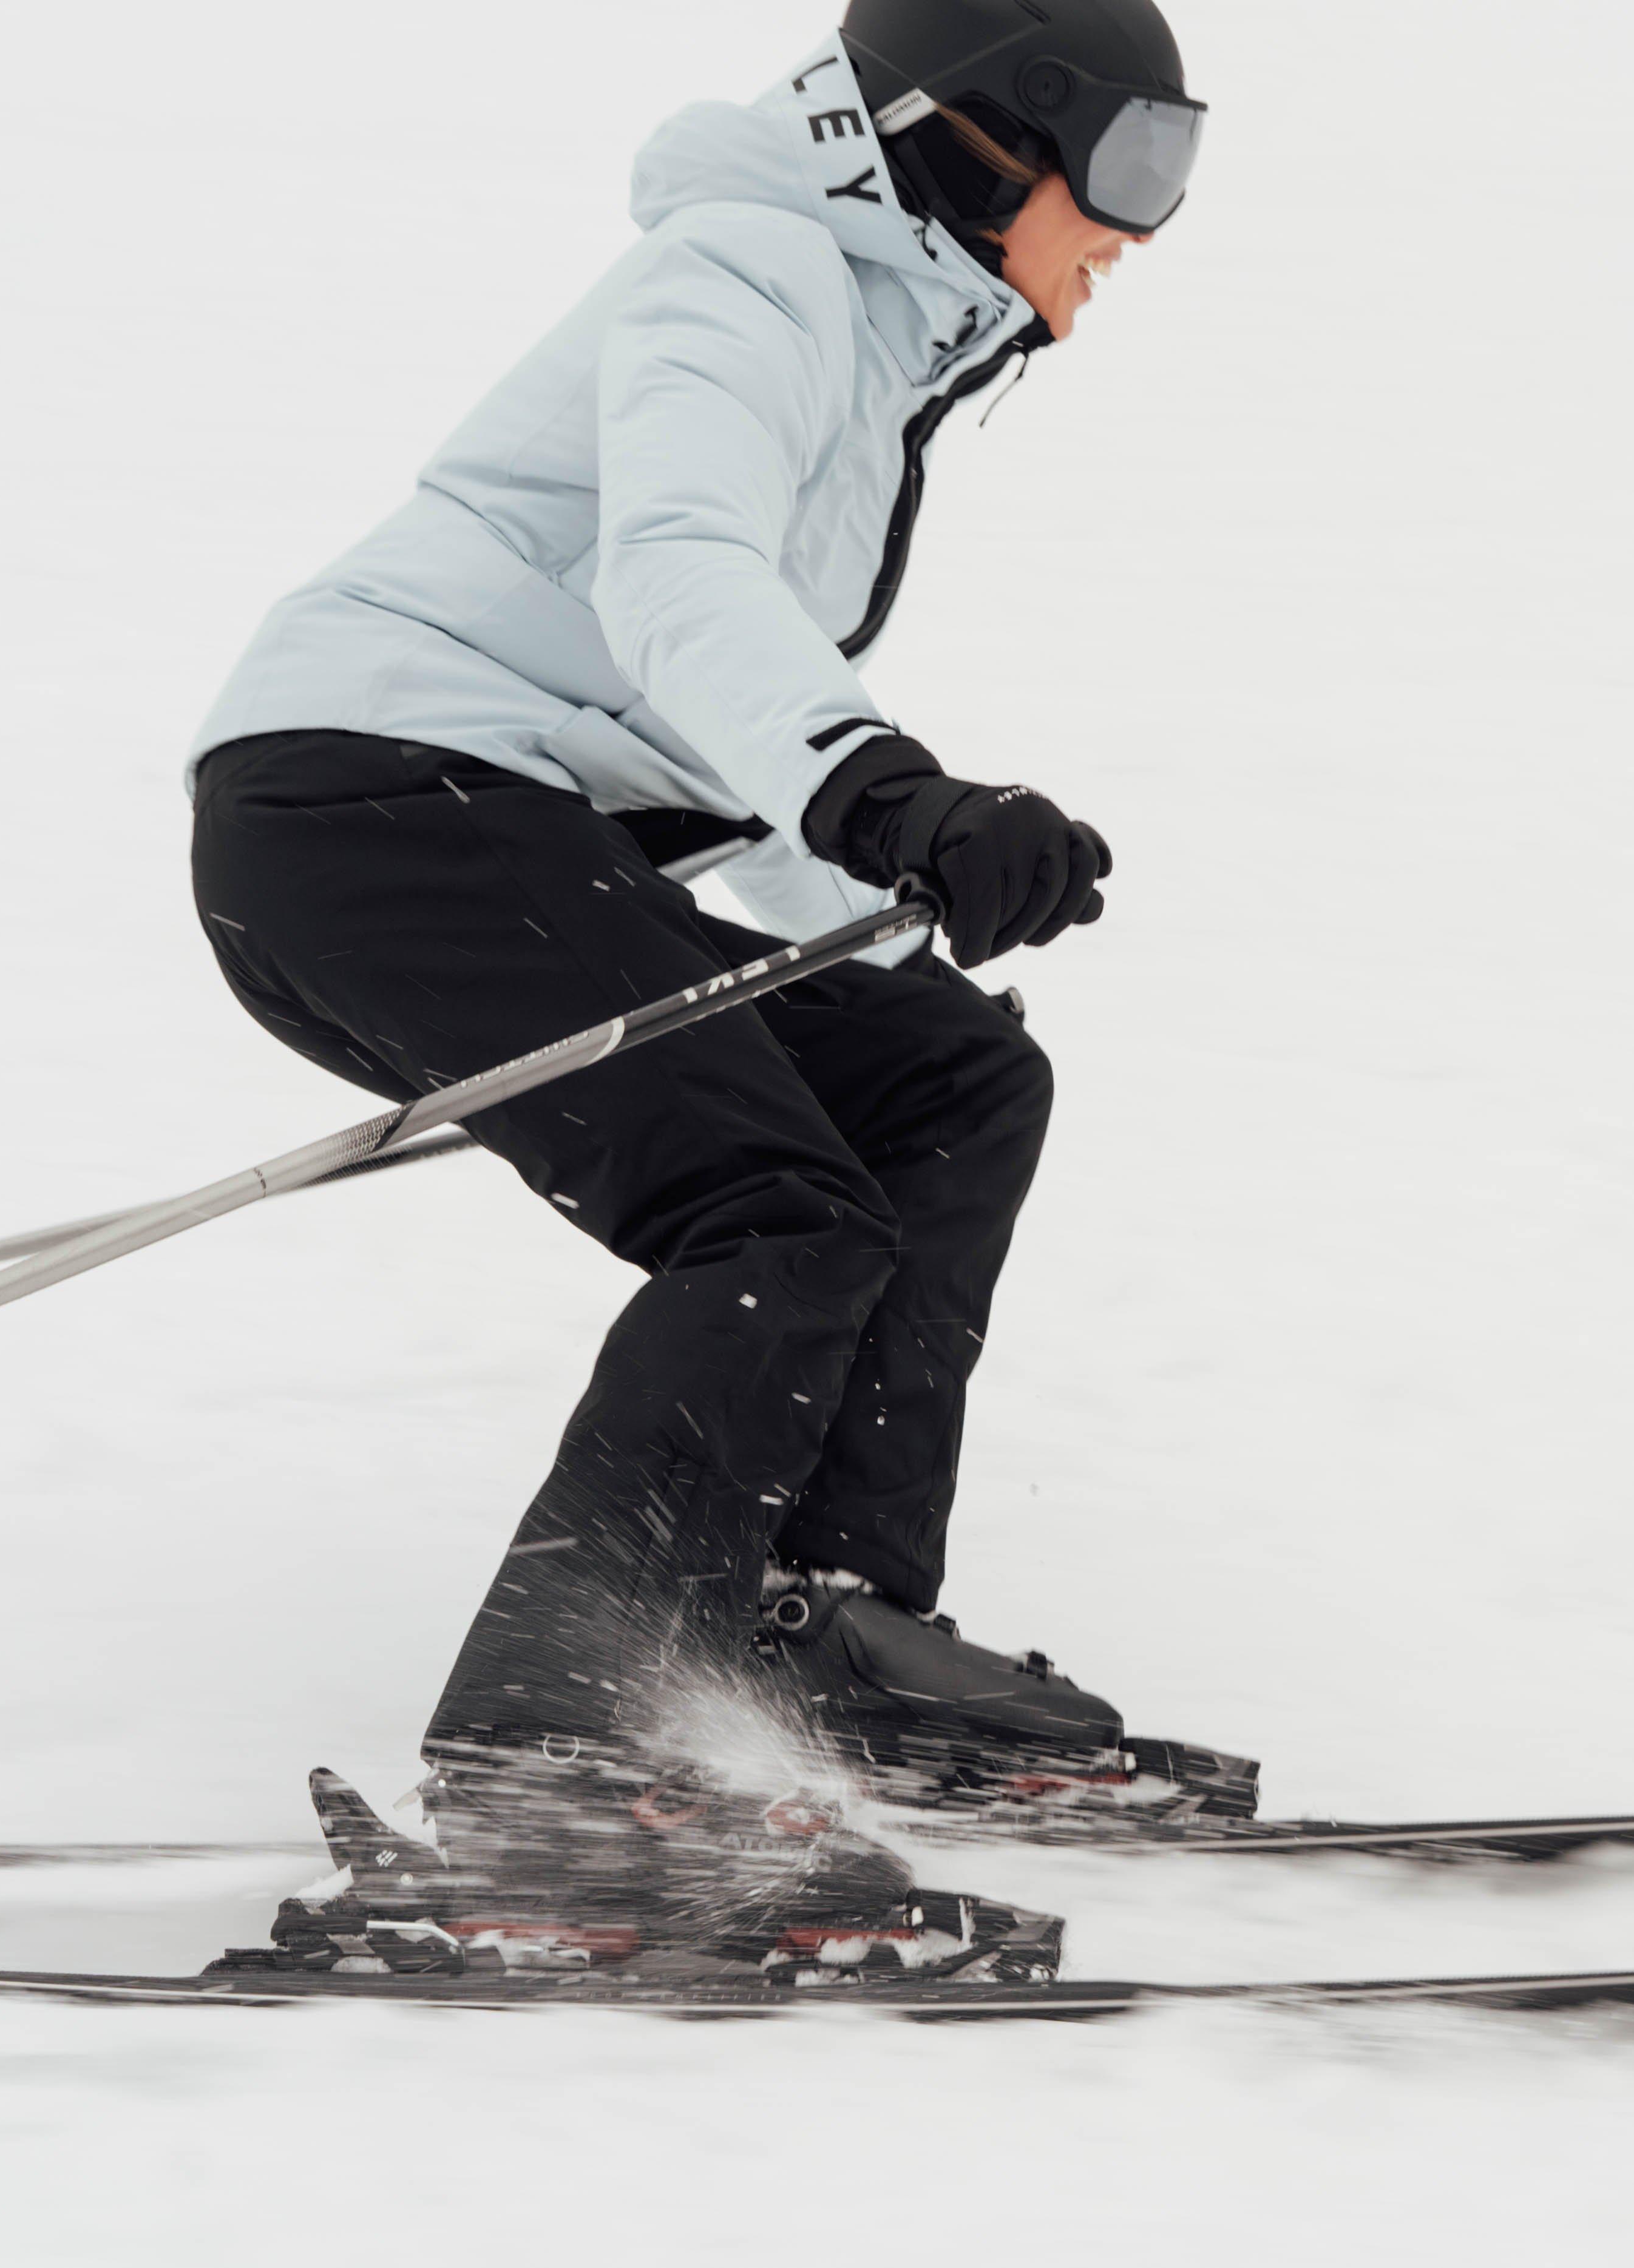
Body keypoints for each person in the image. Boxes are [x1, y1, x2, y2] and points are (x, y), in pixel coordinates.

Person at [184, 2, 1226, 1964]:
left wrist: (899, 885)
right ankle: (552, 1783)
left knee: (941, 1082)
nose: (1144, 233)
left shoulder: (870, 336)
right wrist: (890, 792)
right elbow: (677, 582)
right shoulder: (747, 271)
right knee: (780, 1206)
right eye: (1136, 171)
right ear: (987, 138)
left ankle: (811, 1635)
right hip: (367, 801)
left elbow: (655, 720)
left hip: (511, 809)